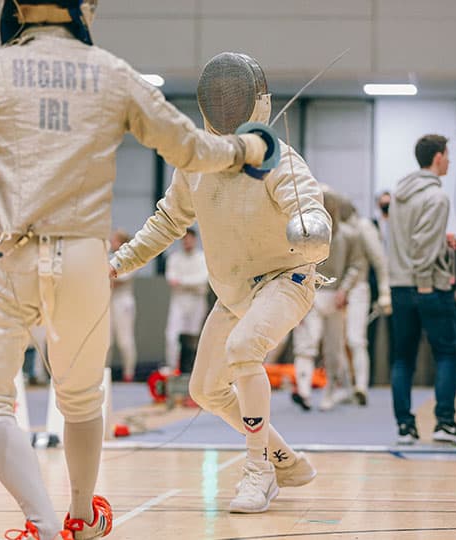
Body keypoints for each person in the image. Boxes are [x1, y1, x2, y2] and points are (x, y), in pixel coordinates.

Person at [0, 1, 275, 536]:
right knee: (80, 400)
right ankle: (81, 520)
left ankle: (40, 521)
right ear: (79, 9)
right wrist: (249, 145)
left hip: (0, 256)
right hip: (83, 258)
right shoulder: (110, 71)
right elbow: (191, 148)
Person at [111, 51, 326, 515]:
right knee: (205, 389)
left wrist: (311, 225)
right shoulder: (197, 163)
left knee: (245, 349)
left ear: (256, 101)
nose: (227, 103)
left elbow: (307, 203)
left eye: (235, 94)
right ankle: (284, 459)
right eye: (220, 95)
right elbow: (167, 220)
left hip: (286, 279)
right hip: (233, 294)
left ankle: (259, 473)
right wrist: (118, 263)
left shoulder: (276, 157)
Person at [388, 134, 456, 446]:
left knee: (402, 358)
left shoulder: (398, 194)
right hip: (427, 286)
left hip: (399, 285)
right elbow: (421, 246)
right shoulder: (436, 197)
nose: (448, 161)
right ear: (437, 157)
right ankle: (444, 422)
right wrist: (425, 283)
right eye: (447, 155)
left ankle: (405, 426)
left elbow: (408, 240)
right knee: (445, 354)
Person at [293, 190, 366, 412]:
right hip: (312, 295)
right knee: (307, 343)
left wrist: (344, 290)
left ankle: (331, 391)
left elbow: (356, 265)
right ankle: (304, 391)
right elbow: (295, 262)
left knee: (334, 350)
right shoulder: (305, 233)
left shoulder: (349, 236)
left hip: (335, 297)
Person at [339, 197, 391, 406]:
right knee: (338, 344)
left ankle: (361, 386)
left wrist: (385, 292)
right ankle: (345, 386)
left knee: (355, 339)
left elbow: (379, 261)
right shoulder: (331, 228)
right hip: (335, 291)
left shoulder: (364, 227)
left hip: (358, 288)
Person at [163, 228, 209, 371]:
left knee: (194, 336)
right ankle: (173, 368)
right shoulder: (174, 258)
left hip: (197, 301)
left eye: (189, 239)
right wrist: (191, 284)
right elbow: (171, 278)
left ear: (195, 240)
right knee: (172, 335)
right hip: (179, 301)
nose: (187, 242)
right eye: (184, 239)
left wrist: (182, 282)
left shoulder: (203, 258)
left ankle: (193, 370)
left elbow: (202, 280)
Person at [108, 230, 137, 382]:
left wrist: (106, 276)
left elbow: (120, 278)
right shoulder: (108, 258)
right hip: (108, 302)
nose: (112, 243)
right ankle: (104, 374)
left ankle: (129, 374)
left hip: (123, 302)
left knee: (125, 340)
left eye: (115, 240)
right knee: (107, 340)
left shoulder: (129, 258)